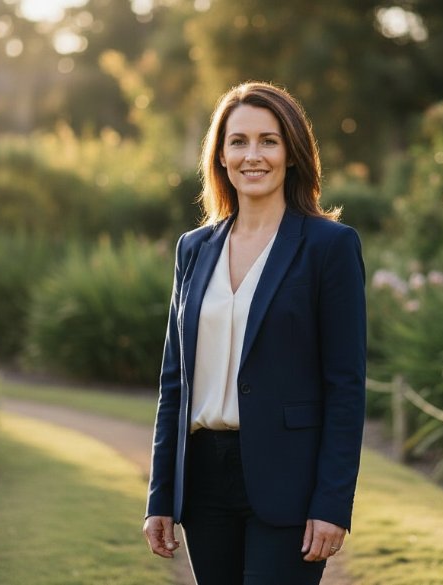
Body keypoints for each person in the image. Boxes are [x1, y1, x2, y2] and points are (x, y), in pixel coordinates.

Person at [142, 81, 366, 585]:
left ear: (292, 152)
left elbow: (345, 387)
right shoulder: (193, 249)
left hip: (289, 481)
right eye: (238, 141)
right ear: (220, 156)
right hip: (203, 482)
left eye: (269, 140)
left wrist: (332, 503)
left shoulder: (329, 246)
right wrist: (161, 495)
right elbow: (174, 384)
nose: (253, 155)